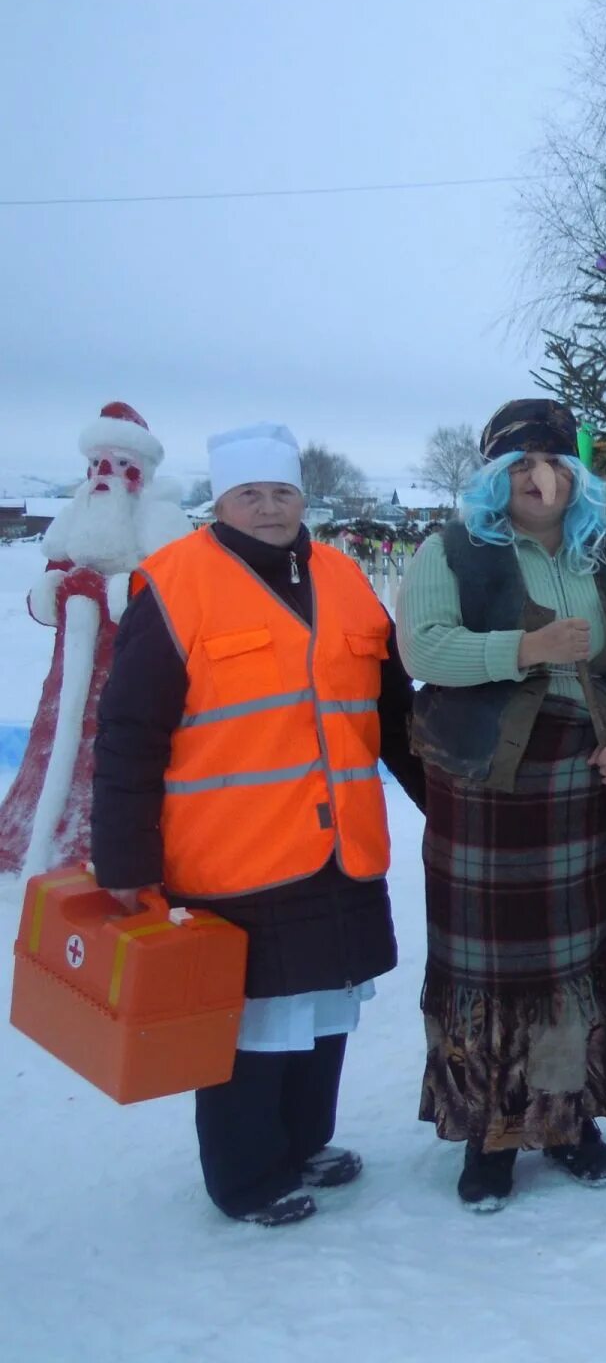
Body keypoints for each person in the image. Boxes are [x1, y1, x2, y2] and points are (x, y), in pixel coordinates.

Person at [91, 421, 425, 1227]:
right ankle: (244, 1178)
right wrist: (123, 857)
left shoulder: (344, 575)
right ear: (222, 501)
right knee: (251, 1025)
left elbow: (389, 712)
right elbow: (130, 730)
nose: (270, 508)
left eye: (283, 493)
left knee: (325, 1007)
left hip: (340, 848)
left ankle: (305, 1141)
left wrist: (446, 803)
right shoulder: (173, 585)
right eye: (252, 494)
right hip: (233, 854)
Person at [397, 398, 606, 1213]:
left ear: (576, 476)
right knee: (486, 974)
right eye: (520, 465)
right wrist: (523, 648)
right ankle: (490, 1133)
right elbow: (423, 647)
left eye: (555, 463)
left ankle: (567, 1121)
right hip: (489, 785)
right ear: (495, 477)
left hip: (594, 779)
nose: (539, 479)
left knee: (579, 969)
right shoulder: (451, 551)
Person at [1, 402, 188, 877]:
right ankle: (33, 839)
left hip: (135, 680)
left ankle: (108, 847)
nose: (105, 476)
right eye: (97, 465)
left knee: (118, 761)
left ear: (140, 473)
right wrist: (55, 593)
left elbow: (175, 596)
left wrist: (112, 595)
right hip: (64, 685)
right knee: (52, 754)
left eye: (120, 466)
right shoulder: (75, 522)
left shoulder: (160, 526)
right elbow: (44, 599)